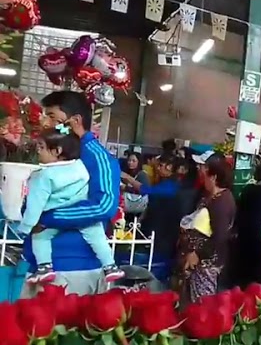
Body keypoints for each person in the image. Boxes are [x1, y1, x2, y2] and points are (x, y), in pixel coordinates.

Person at [21, 90, 121, 297]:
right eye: (44, 115)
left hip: (73, 270)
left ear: (75, 121)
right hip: (43, 265)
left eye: (51, 116)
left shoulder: (96, 157)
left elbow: (103, 205)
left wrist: (47, 218)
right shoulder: (54, 153)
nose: (44, 122)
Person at [175, 156, 236, 303]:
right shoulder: (210, 197)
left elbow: (220, 236)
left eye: (205, 173)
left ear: (214, 177)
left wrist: (197, 254)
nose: (202, 176)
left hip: (206, 263)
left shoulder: (222, 202)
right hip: (195, 262)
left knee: (202, 305)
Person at [121, 154, 181, 280]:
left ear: (169, 167)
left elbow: (148, 191)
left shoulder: (171, 186)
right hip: (153, 227)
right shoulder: (164, 183)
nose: (158, 168)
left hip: (162, 232)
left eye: (160, 166)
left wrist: (128, 179)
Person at [232, 163, 261, 286]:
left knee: (243, 263)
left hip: (245, 232)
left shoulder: (248, 190)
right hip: (260, 234)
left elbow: (239, 209)